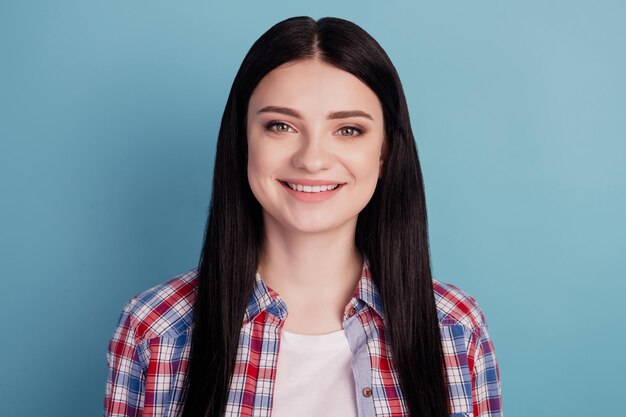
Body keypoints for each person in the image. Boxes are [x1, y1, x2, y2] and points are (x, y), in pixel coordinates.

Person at [103, 16, 502, 417]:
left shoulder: (455, 329)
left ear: (385, 153)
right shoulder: (155, 330)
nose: (311, 159)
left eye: (348, 130)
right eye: (281, 126)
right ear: (242, 143)